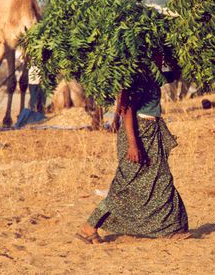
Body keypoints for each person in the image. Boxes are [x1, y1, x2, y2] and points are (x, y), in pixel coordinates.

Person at [76, 60, 189, 243]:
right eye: (158, 53)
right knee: (124, 187)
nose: (161, 58)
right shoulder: (139, 76)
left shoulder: (154, 75)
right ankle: (88, 227)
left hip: (151, 132)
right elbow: (126, 110)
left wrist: (175, 57)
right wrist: (133, 145)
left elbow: (174, 75)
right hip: (137, 134)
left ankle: (172, 229)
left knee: (162, 179)